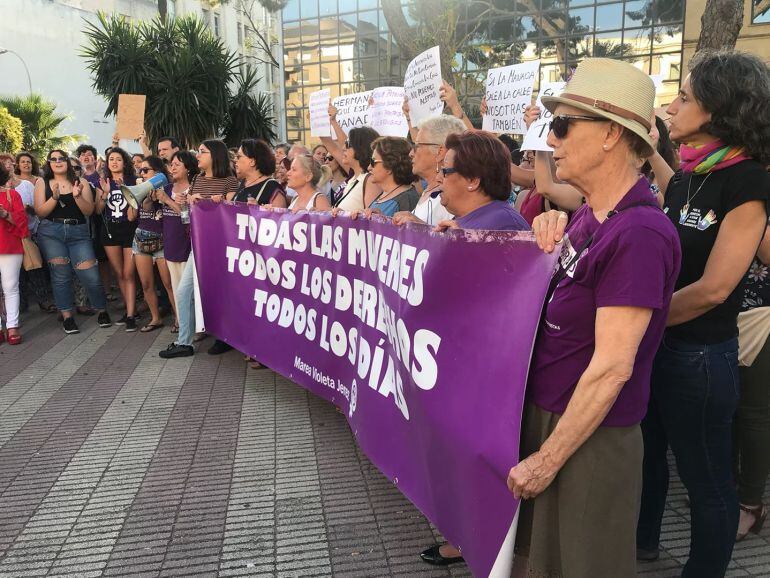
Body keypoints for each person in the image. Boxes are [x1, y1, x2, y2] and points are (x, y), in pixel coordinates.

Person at [487, 59, 682, 578]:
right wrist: (552, 225)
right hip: (558, 417)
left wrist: (547, 459)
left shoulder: (640, 232)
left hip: (588, 435)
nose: (551, 140)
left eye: (563, 125)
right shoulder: (594, 213)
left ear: (611, 135)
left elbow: (614, 366)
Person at [637, 50, 770, 577]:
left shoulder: (750, 180)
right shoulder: (690, 172)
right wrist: (650, 151)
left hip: (699, 360)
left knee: (708, 481)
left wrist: (641, 321)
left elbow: (715, 288)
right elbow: (675, 189)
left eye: (685, 98)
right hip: (660, 347)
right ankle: (644, 542)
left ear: (719, 109)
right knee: (648, 458)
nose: (672, 106)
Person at [159, 139, 238, 358]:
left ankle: (224, 337)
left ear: (215, 155)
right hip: (198, 244)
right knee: (184, 292)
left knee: (219, 293)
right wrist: (186, 202)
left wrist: (209, 201)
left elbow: (231, 211)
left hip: (221, 246)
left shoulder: (230, 181)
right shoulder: (197, 179)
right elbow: (188, 212)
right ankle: (184, 342)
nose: (197, 156)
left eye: (202, 152)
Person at [34, 149, 112, 334]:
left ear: (68, 162)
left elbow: (89, 211)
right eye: (53, 159)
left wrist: (76, 196)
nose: (58, 161)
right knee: (61, 276)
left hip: (78, 232)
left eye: (62, 158)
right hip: (51, 232)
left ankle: (101, 310)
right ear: (49, 163)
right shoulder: (41, 182)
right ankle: (67, 317)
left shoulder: (81, 181)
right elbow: (40, 212)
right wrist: (54, 198)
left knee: (90, 275)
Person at [734, 223, 770, 542]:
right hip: (732, 309)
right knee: (731, 409)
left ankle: (751, 504)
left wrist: (751, 206)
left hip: (764, 317)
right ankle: (728, 491)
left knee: (754, 415)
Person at [393, 114, 466, 227]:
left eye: (417, 146)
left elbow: (454, 241)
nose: (411, 153)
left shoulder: (452, 196)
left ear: (439, 151)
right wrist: (379, 222)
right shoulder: (429, 191)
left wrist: (420, 227)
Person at [95, 147, 139, 331]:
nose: (114, 162)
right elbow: (97, 210)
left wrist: (127, 191)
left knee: (129, 273)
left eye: (118, 159)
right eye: (111, 159)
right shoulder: (102, 182)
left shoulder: (133, 181)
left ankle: (130, 315)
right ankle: (130, 310)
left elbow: (133, 215)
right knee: (119, 273)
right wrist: (104, 193)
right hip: (109, 230)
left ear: (125, 162)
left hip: (129, 230)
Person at [133, 156, 175, 332]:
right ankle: (155, 318)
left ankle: (180, 319)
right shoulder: (140, 188)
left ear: (157, 173)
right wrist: (143, 199)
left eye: (145, 170)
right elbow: (132, 216)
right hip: (141, 239)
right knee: (146, 284)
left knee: (169, 284)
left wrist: (161, 198)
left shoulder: (169, 189)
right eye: (140, 170)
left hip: (162, 240)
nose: (141, 173)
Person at [158, 150, 196, 333]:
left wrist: (167, 201)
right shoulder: (166, 189)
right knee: (175, 286)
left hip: (186, 245)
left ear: (188, 168)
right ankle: (182, 323)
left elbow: (188, 217)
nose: (172, 167)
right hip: (170, 243)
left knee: (189, 290)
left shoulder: (194, 190)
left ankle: (195, 328)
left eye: (177, 164)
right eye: (171, 164)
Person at [0, 161, 30, 344]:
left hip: (10, 246)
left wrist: (5, 214)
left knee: (10, 287)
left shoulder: (12, 195)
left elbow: (23, 224)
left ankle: (12, 326)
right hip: (9, 246)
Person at [321, 121, 381, 212]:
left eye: (348, 144)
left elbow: (372, 220)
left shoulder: (370, 180)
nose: (343, 148)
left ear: (361, 148)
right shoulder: (353, 179)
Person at [366, 137, 419, 217]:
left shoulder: (407, 198)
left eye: (373, 162)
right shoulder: (383, 195)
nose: (369, 167)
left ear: (390, 166)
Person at [224, 138, 286, 207]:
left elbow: (280, 216)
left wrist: (258, 210)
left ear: (252, 162)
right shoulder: (244, 183)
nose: (235, 160)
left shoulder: (272, 187)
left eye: (238, 157)